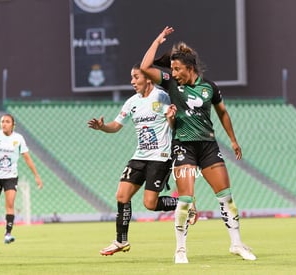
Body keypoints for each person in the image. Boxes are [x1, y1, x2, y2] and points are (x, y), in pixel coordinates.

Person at [140, 26, 256, 263]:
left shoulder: (209, 87)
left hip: (208, 147)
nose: (173, 72)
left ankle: (236, 244)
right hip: (184, 146)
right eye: (172, 68)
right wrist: (158, 40)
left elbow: (222, 113)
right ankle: (180, 250)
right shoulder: (171, 83)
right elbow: (144, 67)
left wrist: (233, 140)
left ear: (190, 68)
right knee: (185, 199)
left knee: (226, 197)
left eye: (178, 69)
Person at [88, 63, 196, 256]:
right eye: (131, 77)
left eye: (136, 77)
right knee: (122, 195)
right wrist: (102, 127)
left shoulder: (161, 96)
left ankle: (185, 203)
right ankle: (121, 241)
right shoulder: (132, 102)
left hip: (160, 158)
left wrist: (171, 118)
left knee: (150, 204)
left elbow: (173, 125)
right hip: (139, 156)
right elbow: (116, 125)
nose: (132, 81)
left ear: (147, 77)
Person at [0, 114, 43, 245]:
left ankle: (8, 234)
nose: (4, 124)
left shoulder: (18, 138)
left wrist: (36, 175)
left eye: (7, 122)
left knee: (10, 204)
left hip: (11, 177)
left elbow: (27, 158)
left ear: (13, 124)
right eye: (2, 121)